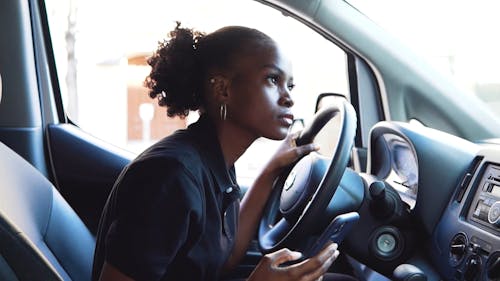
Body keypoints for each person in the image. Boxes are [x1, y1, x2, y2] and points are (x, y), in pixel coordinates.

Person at [92, 23, 357, 281]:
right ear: (223, 89)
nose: (288, 98)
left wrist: (270, 171)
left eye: (290, 85)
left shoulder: (214, 160)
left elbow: (222, 259)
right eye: (272, 79)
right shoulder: (169, 176)